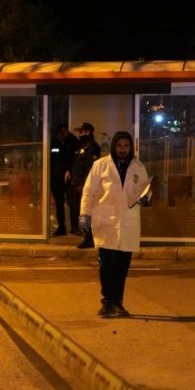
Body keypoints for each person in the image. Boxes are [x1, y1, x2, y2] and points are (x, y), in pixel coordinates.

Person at [79, 131, 151, 318]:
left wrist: (146, 198)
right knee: (108, 264)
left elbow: (145, 189)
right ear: (114, 147)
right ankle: (108, 302)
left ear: (130, 148)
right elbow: (89, 191)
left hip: (127, 222)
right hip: (106, 222)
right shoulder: (100, 165)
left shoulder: (138, 167)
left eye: (126, 146)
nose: (122, 150)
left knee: (122, 267)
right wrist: (84, 214)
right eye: (119, 146)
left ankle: (116, 302)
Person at [66, 122, 101, 247]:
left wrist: (84, 185)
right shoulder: (81, 146)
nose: (78, 134)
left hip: (84, 185)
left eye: (81, 131)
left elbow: (90, 168)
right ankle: (84, 235)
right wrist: (69, 171)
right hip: (76, 183)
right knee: (78, 210)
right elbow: (75, 163)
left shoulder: (92, 147)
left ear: (88, 132)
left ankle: (89, 238)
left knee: (86, 212)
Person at [50, 124, 79, 236]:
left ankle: (75, 227)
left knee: (73, 203)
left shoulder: (73, 142)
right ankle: (61, 228)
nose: (62, 136)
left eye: (64, 133)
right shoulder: (53, 142)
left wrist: (70, 170)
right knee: (59, 204)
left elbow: (76, 160)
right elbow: (50, 161)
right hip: (56, 179)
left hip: (70, 178)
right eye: (60, 134)